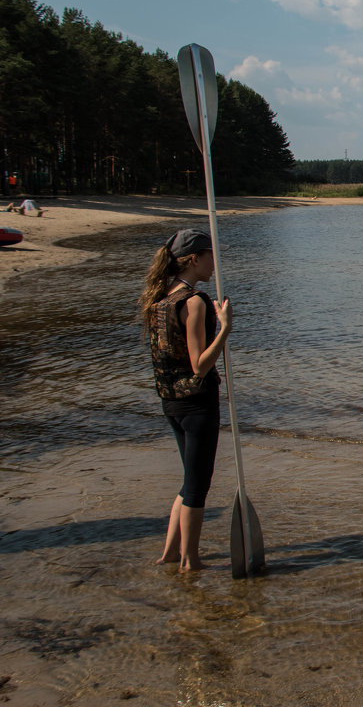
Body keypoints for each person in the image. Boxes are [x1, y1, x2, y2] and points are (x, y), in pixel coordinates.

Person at [137, 228, 232, 572]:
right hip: (196, 404)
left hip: (171, 403)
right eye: (210, 258)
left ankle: (171, 552)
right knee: (197, 486)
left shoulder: (160, 297)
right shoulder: (194, 301)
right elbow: (200, 364)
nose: (213, 266)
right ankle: (191, 561)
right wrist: (224, 328)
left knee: (188, 479)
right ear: (194, 259)